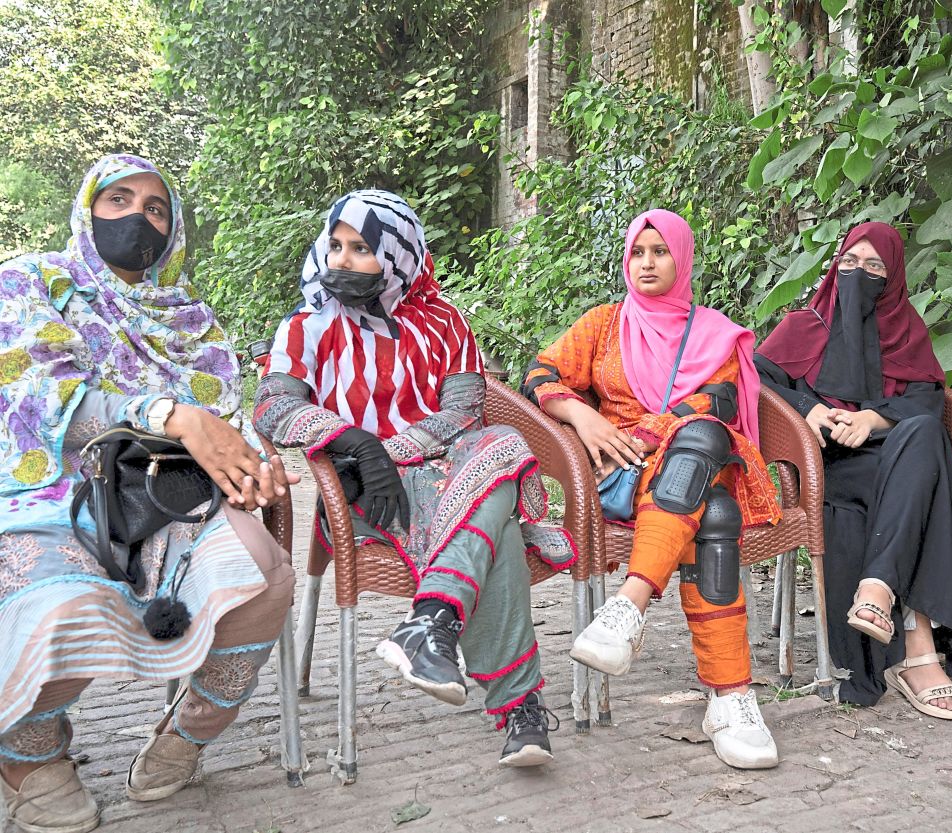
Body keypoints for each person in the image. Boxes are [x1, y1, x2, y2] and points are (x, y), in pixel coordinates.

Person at [0, 154, 296, 833]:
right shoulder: (31, 281)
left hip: (168, 494)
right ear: (86, 210)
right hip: (52, 490)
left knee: (262, 574)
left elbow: (227, 417)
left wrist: (254, 462)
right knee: (63, 603)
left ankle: (185, 733)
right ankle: (29, 754)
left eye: (156, 208)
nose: (138, 217)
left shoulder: (193, 320)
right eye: (119, 199)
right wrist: (173, 415)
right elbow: (41, 397)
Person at [255, 190, 574, 767]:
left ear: (400, 256)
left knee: (500, 442)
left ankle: (432, 622)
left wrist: (396, 450)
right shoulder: (307, 324)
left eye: (361, 249)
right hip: (365, 496)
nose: (342, 261)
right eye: (336, 246)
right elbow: (274, 409)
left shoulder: (445, 323)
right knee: (497, 524)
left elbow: (465, 412)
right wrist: (357, 444)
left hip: (445, 473)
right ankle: (517, 705)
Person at [522, 209, 782, 769]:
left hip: (685, 456)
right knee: (713, 511)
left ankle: (630, 604)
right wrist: (584, 418)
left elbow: (717, 402)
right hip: (626, 469)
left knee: (703, 434)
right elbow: (539, 375)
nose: (646, 262)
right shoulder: (603, 323)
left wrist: (651, 432)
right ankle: (731, 693)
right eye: (637, 252)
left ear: (682, 259)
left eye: (659, 251)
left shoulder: (714, 331)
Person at [755, 221, 952, 720]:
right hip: (829, 467)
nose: (860, 274)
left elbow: (928, 400)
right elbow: (754, 382)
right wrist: (807, 409)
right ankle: (918, 651)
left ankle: (877, 591)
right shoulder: (803, 327)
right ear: (835, 266)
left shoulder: (906, 333)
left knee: (923, 436)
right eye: (850, 263)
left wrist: (874, 417)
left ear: (895, 276)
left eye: (875, 266)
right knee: (929, 476)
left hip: (896, 460)